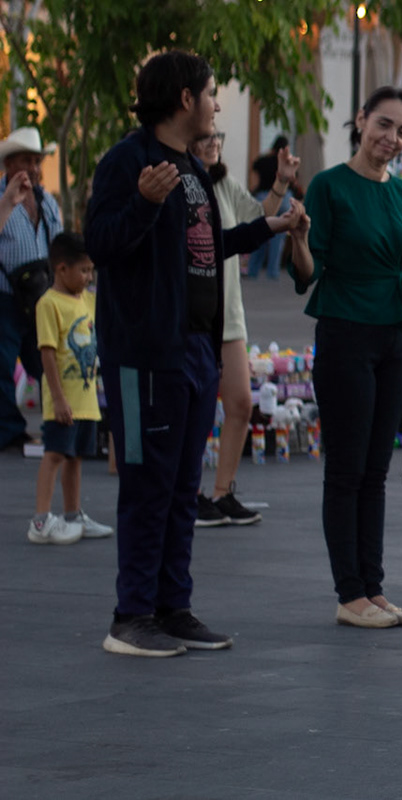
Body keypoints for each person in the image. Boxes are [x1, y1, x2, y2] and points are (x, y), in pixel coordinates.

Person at [86, 50, 298, 657]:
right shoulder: (128, 162)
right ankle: (131, 617)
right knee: (147, 485)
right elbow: (101, 243)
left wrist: (270, 227)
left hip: (197, 351)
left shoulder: (194, 168)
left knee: (182, 487)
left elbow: (209, 246)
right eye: (209, 93)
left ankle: (172, 607)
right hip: (146, 353)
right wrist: (145, 203)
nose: (215, 103)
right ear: (184, 99)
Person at [290, 88, 402, 627]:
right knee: (347, 469)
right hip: (345, 333)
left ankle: (373, 590)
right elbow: (308, 273)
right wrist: (300, 237)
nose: (392, 139)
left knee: (377, 472)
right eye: (384, 124)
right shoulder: (329, 187)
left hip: (396, 340)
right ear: (359, 121)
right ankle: (349, 593)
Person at [191, 129, 298, 528]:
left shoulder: (224, 182)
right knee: (196, 411)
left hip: (229, 312)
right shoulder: (182, 184)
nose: (214, 140)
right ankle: (190, 495)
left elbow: (256, 219)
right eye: (204, 136)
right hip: (194, 314)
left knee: (239, 402)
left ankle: (222, 492)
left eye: (217, 135)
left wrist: (282, 182)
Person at [28, 232, 110, 546]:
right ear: (61, 269)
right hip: (62, 401)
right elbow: (47, 353)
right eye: (84, 271)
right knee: (55, 455)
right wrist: (58, 398)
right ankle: (41, 519)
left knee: (75, 458)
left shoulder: (87, 298)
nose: (89, 277)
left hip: (86, 399)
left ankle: (73, 514)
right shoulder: (48, 303)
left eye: (91, 271)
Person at [0, 125, 61, 452]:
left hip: (42, 298)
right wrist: (8, 202)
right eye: (27, 161)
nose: (35, 169)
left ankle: (58, 422)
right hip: (6, 296)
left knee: (46, 361)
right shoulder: (1, 199)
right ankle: (9, 431)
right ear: (9, 165)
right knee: (2, 363)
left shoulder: (47, 202)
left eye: (37, 161)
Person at [245, 134, 298, 279]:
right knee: (278, 238)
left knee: (260, 233)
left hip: (264, 196)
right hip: (284, 198)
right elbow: (293, 180)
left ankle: (253, 271)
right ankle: (273, 271)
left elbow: (254, 168)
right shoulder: (288, 163)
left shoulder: (264, 160)